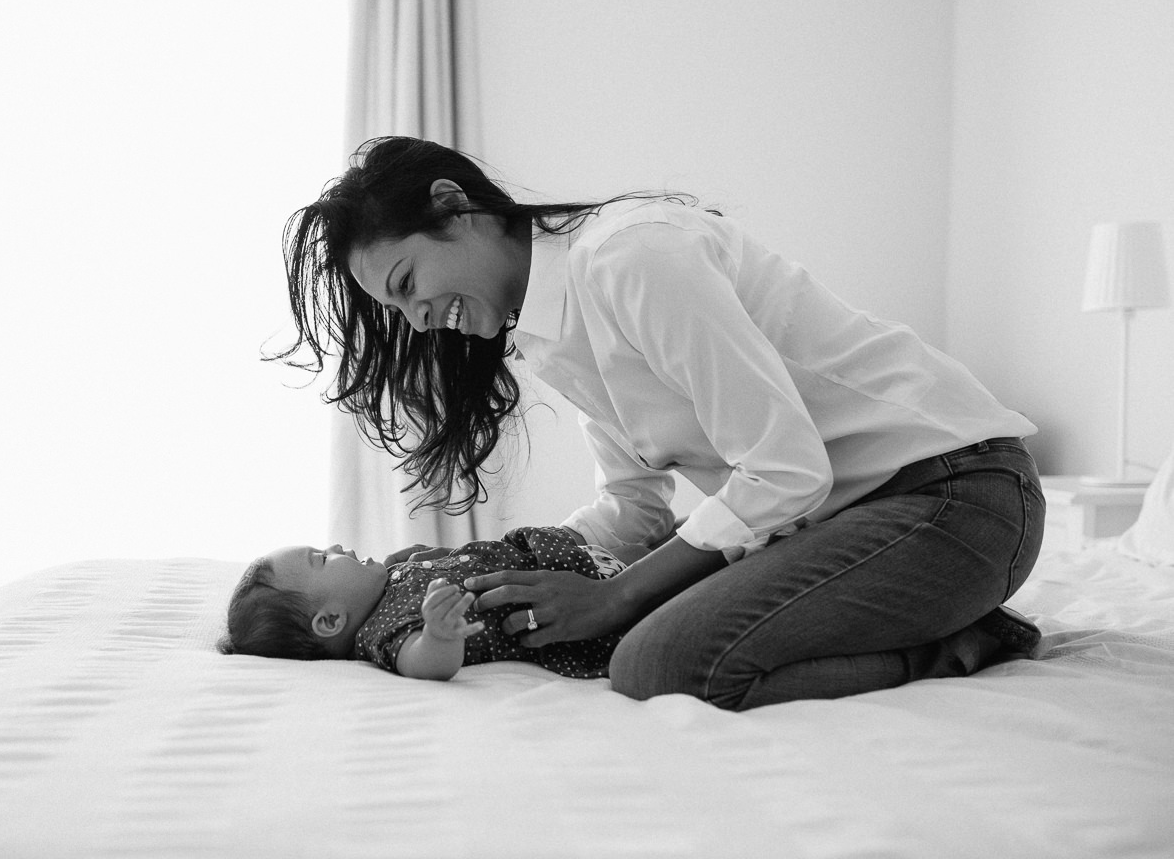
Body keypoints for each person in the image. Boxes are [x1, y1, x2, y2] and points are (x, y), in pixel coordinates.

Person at [271, 134, 1045, 710]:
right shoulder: (546, 332)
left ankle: (961, 640)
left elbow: (785, 469)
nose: (418, 320)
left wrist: (618, 597)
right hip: (847, 523)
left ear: (453, 206)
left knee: (657, 666)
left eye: (408, 283)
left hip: (956, 496)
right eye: (396, 310)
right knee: (632, 646)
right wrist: (509, 572)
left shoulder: (631, 258)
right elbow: (635, 507)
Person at [218, 527, 638, 680]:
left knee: (664, 547)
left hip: (567, 561)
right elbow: (424, 661)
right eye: (323, 558)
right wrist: (439, 633)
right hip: (590, 606)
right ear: (330, 621)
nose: (337, 545)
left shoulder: (381, 586)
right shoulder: (381, 634)